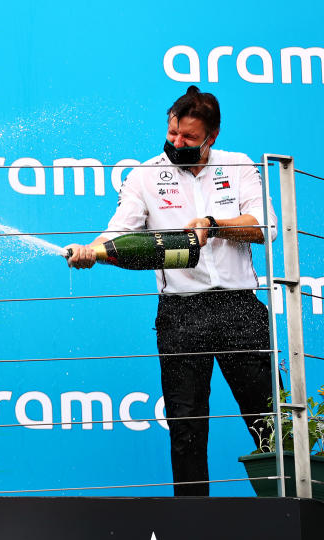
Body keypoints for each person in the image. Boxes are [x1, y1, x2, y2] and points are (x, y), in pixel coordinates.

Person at [65, 85, 278, 496]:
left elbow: (265, 226)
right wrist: (90, 250)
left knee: (269, 422)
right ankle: (192, 524)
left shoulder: (237, 165)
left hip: (240, 309)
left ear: (211, 137)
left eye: (189, 138)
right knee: (186, 430)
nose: (176, 143)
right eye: (172, 133)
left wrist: (212, 224)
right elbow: (120, 231)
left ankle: (294, 511)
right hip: (181, 314)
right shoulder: (145, 175)